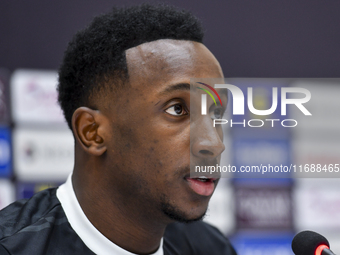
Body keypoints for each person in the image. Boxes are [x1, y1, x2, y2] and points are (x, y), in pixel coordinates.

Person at [0, 4, 236, 255]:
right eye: (177, 109)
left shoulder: (211, 248)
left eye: (216, 113)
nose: (214, 143)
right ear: (92, 132)